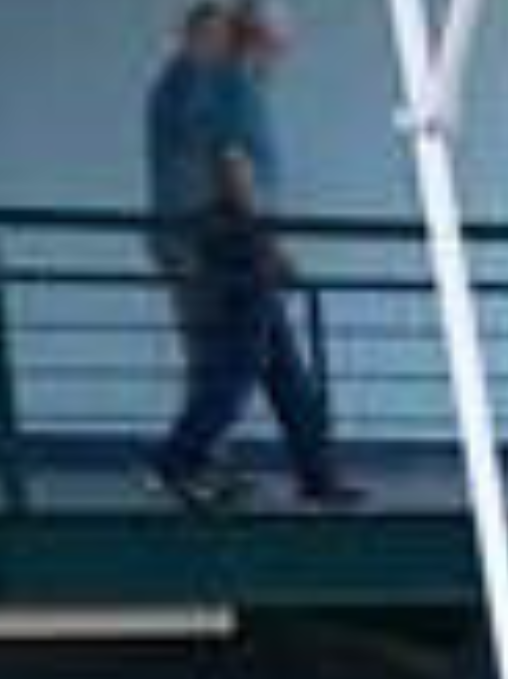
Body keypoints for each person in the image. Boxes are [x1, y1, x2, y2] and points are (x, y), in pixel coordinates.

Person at [147, 5, 365, 509]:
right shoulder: (231, 87)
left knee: (278, 364)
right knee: (240, 361)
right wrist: (268, 243)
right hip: (230, 238)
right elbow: (234, 167)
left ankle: (317, 476)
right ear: (258, 41)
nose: (284, 54)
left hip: (217, 235)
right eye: (279, 43)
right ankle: (179, 462)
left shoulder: (205, 85)